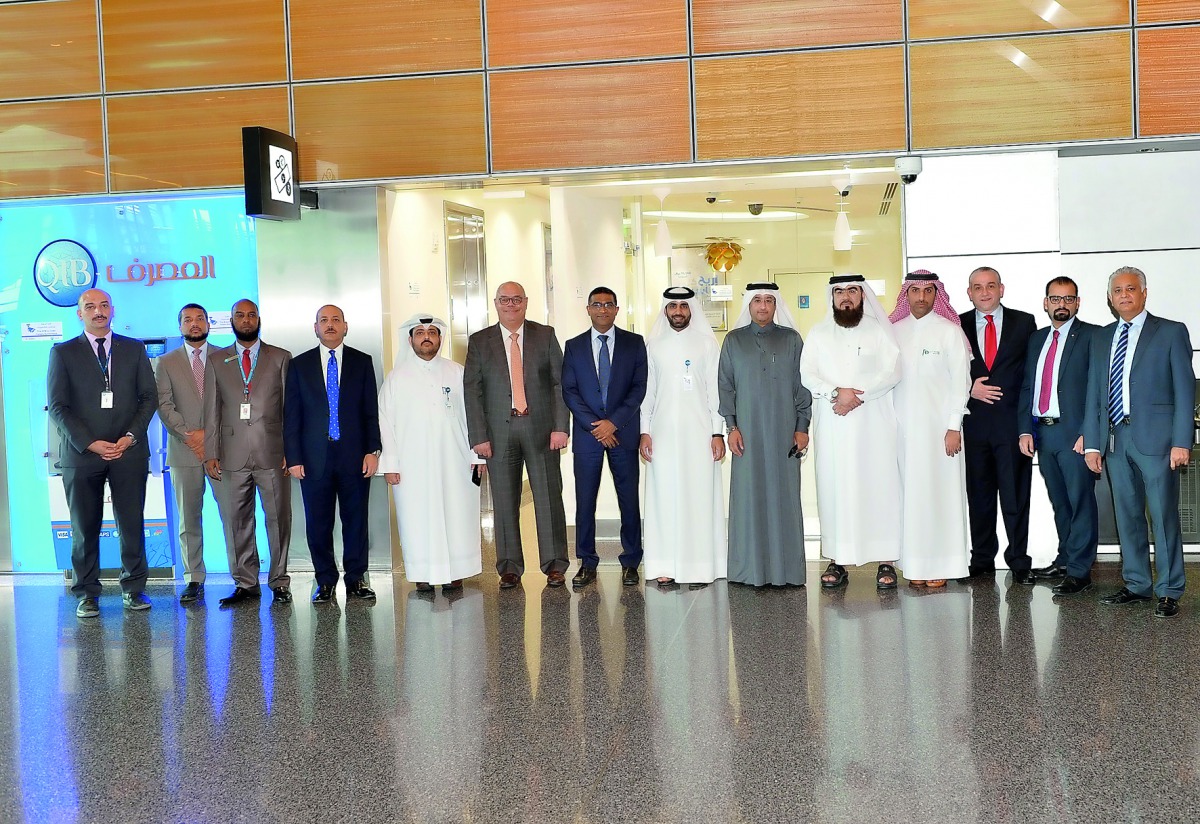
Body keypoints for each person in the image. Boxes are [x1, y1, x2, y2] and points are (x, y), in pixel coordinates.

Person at [1083, 266, 1195, 618]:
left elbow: (1184, 390)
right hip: (1116, 439)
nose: (1124, 295)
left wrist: (1182, 441)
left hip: (1159, 441)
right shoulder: (1101, 338)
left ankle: (1169, 589)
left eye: (1131, 289)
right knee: (1127, 515)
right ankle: (1136, 584)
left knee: (1162, 517)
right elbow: (1094, 395)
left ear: (1144, 292)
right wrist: (1092, 444)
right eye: (1117, 290)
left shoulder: (1171, 332)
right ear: (1110, 298)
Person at [48, 288, 157, 617]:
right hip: (82, 454)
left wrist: (129, 437)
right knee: (84, 527)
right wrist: (90, 442)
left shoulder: (134, 349)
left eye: (104, 305)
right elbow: (58, 406)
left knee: (132, 524)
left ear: (113, 310)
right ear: (78, 313)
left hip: (128, 451)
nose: (99, 311)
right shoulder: (63, 352)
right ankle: (87, 593)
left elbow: (148, 399)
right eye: (90, 306)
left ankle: (134, 589)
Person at [463, 281, 570, 589]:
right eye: (504, 300)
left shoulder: (545, 335)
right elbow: (472, 390)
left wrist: (561, 426)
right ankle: (509, 566)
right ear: (495, 303)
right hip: (497, 433)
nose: (511, 304)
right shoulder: (480, 341)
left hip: (541, 430)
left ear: (526, 302)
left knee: (548, 498)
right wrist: (478, 436)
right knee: (505, 500)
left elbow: (559, 384)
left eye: (516, 299)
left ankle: (554, 565)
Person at [800, 274, 902, 589]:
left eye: (853, 291)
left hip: (874, 425)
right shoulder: (818, 333)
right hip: (833, 426)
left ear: (862, 295)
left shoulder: (880, 331)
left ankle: (886, 561)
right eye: (840, 292)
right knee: (836, 489)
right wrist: (835, 393)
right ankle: (837, 560)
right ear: (832, 297)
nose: (846, 297)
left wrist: (857, 396)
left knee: (879, 487)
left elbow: (893, 371)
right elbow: (807, 373)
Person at [284, 304, 382, 604]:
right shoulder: (299, 365)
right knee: (318, 523)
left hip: (354, 456)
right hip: (314, 460)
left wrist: (372, 450)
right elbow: (292, 415)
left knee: (356, 521)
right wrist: (294, 456)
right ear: (315, 328)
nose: (330, 325)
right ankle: (324, 581)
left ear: (345, 326)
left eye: (335, 320)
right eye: (323, 321)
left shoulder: (362, 362)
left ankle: (356, 580)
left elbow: (370, 412)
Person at [379, 315, 483, 592]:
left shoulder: (457, 372)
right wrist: (390, 463)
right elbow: (385, 423)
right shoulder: (396, 378)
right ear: (410, 339)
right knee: (416, 516)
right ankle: (422, 572)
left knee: (457, 512)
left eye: (432, 332)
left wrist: (477, 457)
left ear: (440, 339)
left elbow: (474, 416)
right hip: (412, 464)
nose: (427, 337)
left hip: (456, 460)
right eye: (420, 333)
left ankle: (457, 570)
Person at [717, 282, 811, 587]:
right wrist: (731, 427)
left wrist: (802, 427)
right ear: (748, 304)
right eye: (757, 300)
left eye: (769, 300)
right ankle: (749, 570)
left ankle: (787, 572)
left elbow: (802, 387)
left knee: (784, 497)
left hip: (784, 433)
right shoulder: (733, 341)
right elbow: (725, 386)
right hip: (747, 436)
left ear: (776, 305)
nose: (763, 306)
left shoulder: (792, 340)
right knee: (749, 498)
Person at [204, 298, 294, 606]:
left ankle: (280, 581)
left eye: (251, 314)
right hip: (231, 454)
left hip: (272, 452)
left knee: (278, 519)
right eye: (240, 315)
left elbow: (289, 411)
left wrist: (291, 451)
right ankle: (246, 582)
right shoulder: (217, 361)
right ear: (231, 321)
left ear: (259, 319)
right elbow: (212, 410)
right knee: (236, 520)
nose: (246, 320)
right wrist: (210, 452)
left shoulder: (280, 358)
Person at [561, 286, 648, 589]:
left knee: (629, 500)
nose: (602, 310)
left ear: (617, 309)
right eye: (596, 305)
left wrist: (613, 423)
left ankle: (631, 561)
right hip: (588, 437)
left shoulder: (634, 343)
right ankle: (587, 561)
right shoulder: (573, 346)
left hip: (623, 433)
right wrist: (595, 426)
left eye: (608, 305)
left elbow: (639, 388)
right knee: (585, 501)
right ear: (588, 309)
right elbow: (569, 390)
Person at [639, 287, 727, 588]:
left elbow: (716, 392)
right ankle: (665, 565)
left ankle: (700, 567)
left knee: (698, 498)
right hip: (662, 435)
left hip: (701, 434)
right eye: (673, 306)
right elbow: (647, 394)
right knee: (664, 498)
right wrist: (644, 431)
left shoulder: (707, 345)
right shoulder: (653, 345)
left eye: (683, 306)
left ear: (692, 310)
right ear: (665, 310)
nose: (678, 311)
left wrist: (718, 432)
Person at [1017, 277, 1099, 595]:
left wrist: (1088, 433)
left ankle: (1080, 571)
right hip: (1044, 432)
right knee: (1060, 502)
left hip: (1074, 434)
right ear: (1045, 302)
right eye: (1055, 298)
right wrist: (1026, 429)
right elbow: (1028, 386)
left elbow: (1098, 389)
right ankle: (1065, 560)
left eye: (1068, 298)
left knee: (1080, 502)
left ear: (1077, 303)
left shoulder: (1092, 336)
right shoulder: (1036, 339)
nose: (1061, 304)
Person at [888, 270, 971, 587]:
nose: (921, 297)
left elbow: (960, 384)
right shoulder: (893, 332)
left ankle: (939, 565)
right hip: (901, 432)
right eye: (915, 291)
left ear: (937, 295)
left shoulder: (949, 332)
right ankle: (912, 566)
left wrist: (954, 426)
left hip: (940, 433)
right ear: (906, 295)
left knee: (939, 498)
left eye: (928, 291)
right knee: (908, 498)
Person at [959, 266, 1037, 583]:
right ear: (969, 293)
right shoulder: (957, 325)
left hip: (1011, 425)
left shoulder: (1024, 322)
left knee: (1016, 496)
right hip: (973, 425)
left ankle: (1019, 560)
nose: (985, 292)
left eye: (991, 285)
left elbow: (1032, 375)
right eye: (978, 287)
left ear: (1001, 289)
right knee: (979, 496)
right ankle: (981, 561)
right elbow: (942, 372)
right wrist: (968, 388)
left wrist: (1027, 426)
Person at [155, 302, 232, 604]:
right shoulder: (166, 362)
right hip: (184, 451)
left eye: (200, 318)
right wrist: (192, 436)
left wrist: (210, 437)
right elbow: (164, 406)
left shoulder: (227, 357)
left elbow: (232, 401)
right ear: (180, 326)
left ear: (209, 324)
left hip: (224, 451)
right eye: (188, 320)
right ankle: (194, 578)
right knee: (189, 519)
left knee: (233, 516)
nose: (195, 324)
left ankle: (242, 577)